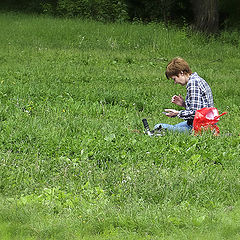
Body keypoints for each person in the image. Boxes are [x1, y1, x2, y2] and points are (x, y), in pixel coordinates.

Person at [154, 57, 214, 133]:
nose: (175, 82)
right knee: (173, 128)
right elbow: (199, 108)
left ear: (181, 73)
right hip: (201, 123)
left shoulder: (193, 83)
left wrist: (177, 113)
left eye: (174, 79)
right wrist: (183, 104)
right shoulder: (196, 80)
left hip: (200, 127)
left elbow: (195, 113)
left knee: (159, 127)